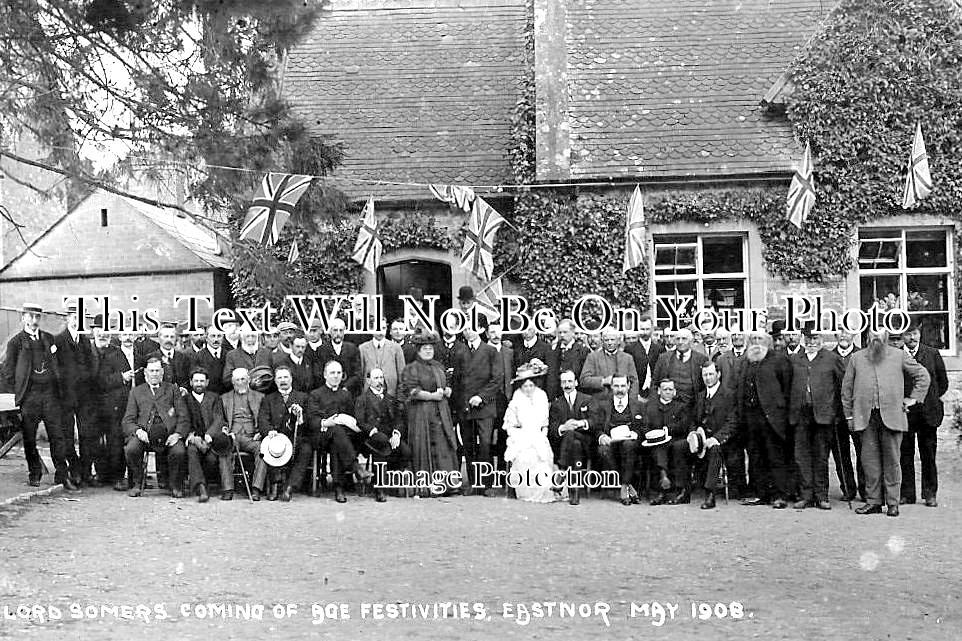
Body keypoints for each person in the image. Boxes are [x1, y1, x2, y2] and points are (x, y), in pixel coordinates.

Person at [842, 329, 929, 517]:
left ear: (886, 338)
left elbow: (923, 375)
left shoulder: (899, 356)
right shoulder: (856, 358)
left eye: (880, 337)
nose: (876, 340)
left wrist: (913, 399)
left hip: (892, 416)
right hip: (866, 418)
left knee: (892, 462)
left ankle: (892, 503)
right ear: (866, 338)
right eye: (872, 337)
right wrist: (849, 416)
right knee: (869, 462)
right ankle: (873, 501)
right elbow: (846, 390)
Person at [1, 303, 78, 491]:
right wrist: (21, 389)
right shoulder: (16, 342)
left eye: (37, 317)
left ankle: (62, 475)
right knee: (29, 437)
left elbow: (57, 364)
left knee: (57, 436)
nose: (34, 321)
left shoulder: (48, 339)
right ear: (23, 318)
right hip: (30, 397)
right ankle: (34, 473)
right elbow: (7, 370)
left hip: (50, 395)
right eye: (31, 317)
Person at [787, 328, 844, 510]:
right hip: (801, 414)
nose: (812, 342)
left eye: (815, 338)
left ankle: (821, 495)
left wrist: (837, 412)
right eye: (808, 338)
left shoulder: (832, 359)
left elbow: (841, 387)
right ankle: (806, 495)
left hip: (824, 415)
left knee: (821, 456)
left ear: (821, 338)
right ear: (803, 338)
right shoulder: (795, 359)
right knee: (801, 456)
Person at [736, 331, 793, 509]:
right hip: (750, 418)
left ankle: (779, 495)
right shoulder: (746, 361)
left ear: (767, 342)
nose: (756, 343)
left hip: (772, 418)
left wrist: (781, 413)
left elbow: (787, 389)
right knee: (755, 456)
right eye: (753, 339)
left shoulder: (779, 360)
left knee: (775, 457)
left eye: (760, 339)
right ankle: (761, 493)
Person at [400, 333, 460, 496]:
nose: (428, 351)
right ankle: (427, 485)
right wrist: (432, 395)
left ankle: (447, 484)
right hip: (422, 413)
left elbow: (447, 384)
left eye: (430, 348)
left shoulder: (438, 366)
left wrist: (448, 390)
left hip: (440, 412)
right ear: (418, 351)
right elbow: (412, 391)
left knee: (443, 444)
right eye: (425, 349)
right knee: (424, 446)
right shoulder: (411, 368)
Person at [122, 356, 189, 497]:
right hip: (144, 434)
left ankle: (175, 485)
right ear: (145, 372)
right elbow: (128, 420)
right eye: (151, 371)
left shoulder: (172, 390)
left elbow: (183, 417)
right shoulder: (136, 392)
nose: (154, 374)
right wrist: (138, 431)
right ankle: (137, 483)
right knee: (131, 449)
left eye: (157, 371)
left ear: (162, 372)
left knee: (179, 451)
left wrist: (177, 434)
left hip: (169, 434)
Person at [900, 323, 948, 507]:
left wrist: (929, 399)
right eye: (908, 334)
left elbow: (942, 383)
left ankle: (930, 493)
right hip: (906, 412)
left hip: (928, 413)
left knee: (928, 454)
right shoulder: (898, 355)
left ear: (919, 333)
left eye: (915, 333)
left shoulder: (932, 353)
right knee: (905, 454)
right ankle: (907, 494)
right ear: (902, 336)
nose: (912, 338)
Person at [501, 362, 556, 504]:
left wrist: (541, 435)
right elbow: (509, 423)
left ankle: (543, 490)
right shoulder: (517, 398)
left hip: (537, 435)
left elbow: (545, 422)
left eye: (531, 385)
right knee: (524, 456)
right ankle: (526, 491)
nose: (528, 389)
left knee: (541, 456)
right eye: (525, 386)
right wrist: (518, 433)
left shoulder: (541, 396)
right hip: (521, 436)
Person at [458, 327, 503, 495]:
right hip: (466, 407)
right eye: (465, 329)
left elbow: (497, 378)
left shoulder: (490, 351)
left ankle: (486, 484)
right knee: (468, 445)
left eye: (472, 328)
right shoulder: (461, 351)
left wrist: (481, 397)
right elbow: (457, 379)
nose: (469, 332)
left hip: (485, 406)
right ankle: (472, 482)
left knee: (485, 444)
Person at [91, 322, 136, 490]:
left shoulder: (117, 353)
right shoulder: (88, 351)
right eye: (99, 331)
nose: (102, 335)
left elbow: (127, 380)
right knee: (94, 441)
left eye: (106, 332)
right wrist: (119, 378)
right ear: (93, 331)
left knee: (115, 440)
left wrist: (119, 380)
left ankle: (117, 476)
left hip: (113, 406)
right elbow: (90, 380)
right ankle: (101, 474)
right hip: (91, 405)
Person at [356, 368, 412, 502]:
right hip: (370, 437)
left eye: (381, 378)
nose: (379, 381)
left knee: (406, 451)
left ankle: (392, 482)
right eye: (376, 378)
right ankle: (379, 488)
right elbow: (359, 420)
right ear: (368, 381)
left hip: (389, 436)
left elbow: (398, 420)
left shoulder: (390, 399)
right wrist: (371, 430)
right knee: (381, 447)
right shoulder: (362, 399)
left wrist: (397, 434)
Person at [55, 303, 95, 485]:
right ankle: (74, 468)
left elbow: (92, 365)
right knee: (67, 435)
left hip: (85, 396)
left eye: (79, 317)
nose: (76, 320)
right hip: (66, 396)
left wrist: (87, 378)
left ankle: (85, 472)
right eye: (73, 316)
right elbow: (55, 369)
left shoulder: (85, 340)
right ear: (66, 319)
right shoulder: (58, 340)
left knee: (86, 434)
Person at [591, 374, 645, 505]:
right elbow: (596, 427)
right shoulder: (603, 405)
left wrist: (636, 434)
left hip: (631, 442)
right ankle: (628, 486)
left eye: (622, 386)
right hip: (611, 442)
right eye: (616, 386)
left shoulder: (638, 405)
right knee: (603, 450)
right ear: (611, 387)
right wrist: (601, 436)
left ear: (628, 386)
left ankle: (623, 485)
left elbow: (644, 427)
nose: (620, 389)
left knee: (628, 445)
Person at [257, 365, 307, 501]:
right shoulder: (268, 399)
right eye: (280, 377)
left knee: (306, 449)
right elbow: (263, 419)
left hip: (296, 437)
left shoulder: (303, 397)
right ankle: (275, 484)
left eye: (286, 377)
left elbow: (309, 422)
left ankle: (289, 487)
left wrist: (300, 418)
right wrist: (269, 431)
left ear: (291, 379)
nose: (283, 380)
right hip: (276, 436)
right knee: (270, 447)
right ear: (275, 381)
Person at [693, 361, 738, 509]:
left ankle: (710, 494)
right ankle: (682, 491)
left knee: (714, 450)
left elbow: (732, 422)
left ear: (718, 375)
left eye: (711, 374)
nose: (708, 378)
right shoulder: (700, 396)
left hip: (724, 442)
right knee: (680, 447)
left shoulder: (729, 394)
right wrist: (695, 434)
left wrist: (716, 438)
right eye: (705, 375)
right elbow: (694, 421)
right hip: (702, 441)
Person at [547, 369, 593, 505]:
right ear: (560, 385)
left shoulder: (587, 399)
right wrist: (563, 427)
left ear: (576, 383)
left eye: (570, 381)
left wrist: (581, 423)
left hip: (586, 441)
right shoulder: (556, 404)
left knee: (574, 438)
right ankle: (575, 492)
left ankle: (561, 470)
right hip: (567, 445)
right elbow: (553, 427)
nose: (567, 385)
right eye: (564, 382)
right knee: (574, 444)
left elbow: (595, 421)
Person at [645, 379, 692, 505]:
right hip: (657, 443)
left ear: (675, 391)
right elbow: (646, 426)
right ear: (659, 391)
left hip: (676, 440)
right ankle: (661, 488)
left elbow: (684, 425)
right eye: (665, 389)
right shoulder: (651, 407)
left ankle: (677, 490)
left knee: (678, 447)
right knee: (658, 447)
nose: (668, 392)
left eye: (670, 389)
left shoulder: (681, 407)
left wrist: (668, 430)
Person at [182, 367, 224, 503]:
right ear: (190, 382)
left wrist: (209, 435)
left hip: (210, 437)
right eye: (196, 381)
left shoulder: (214, 398)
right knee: (192, 452)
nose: (199, 384)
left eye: (202, 381)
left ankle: (206, 483)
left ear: (207, 382)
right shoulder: (185, 399)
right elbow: (182, 419)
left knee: (211, 459)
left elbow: (219, 418)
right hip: (193, 437)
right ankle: (200, 488)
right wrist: (190, 436)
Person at [831, 330, 862, 502]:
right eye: (840, 333)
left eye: (847, 333)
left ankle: (865, 489)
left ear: (854, 335)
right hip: (837, 413)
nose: (843, 336)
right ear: (835, 336)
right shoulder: (828, 357)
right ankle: (848, 489)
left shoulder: (861, 355)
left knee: (862, 451)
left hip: (857, 412)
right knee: (841, 454)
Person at [650, 328, 707, 410]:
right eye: (678, 339)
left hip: (692, 406)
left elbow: (704, 388)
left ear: (691, 341)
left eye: (684, 339)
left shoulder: (701, 359)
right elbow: (654, 384)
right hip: (668, 407)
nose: (680, 342)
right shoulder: (664, 358)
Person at [580, 328, 639, 399]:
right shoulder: (593, 357)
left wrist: (631, 399)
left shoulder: (627, 358)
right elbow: (584, 380)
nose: (610, 343)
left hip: (623, 399)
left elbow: (634, 382)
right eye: (606, 340)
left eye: (612, 340)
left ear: (618, 341)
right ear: (602, 342)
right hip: (601, 401)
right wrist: (603, 381)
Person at [359, 318, 407, 397]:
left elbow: (402, 374)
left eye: (383, 328)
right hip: (369, 395)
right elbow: (360, 374)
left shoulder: (396, 348)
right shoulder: (363, 348)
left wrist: (400, 397)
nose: (380, 332)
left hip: (391, 394)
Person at [316, 318, 362, 395]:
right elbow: (319, 373)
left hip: (348, 392)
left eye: (341, 330)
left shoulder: (352, 349)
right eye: (335, 330)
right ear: (330, 332)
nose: (338, 334)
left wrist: (346, 387)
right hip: (327, 393)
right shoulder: (321, 350)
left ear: (344, 332)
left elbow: (357, 373)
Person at [546, 319, 590, 400]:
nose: (562, 335)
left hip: (577, 394)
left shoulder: (582, 351)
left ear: (573, 333)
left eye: (565, 332)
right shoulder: (553, 350)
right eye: (560, 332)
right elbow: (551, 375)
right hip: (557, 395)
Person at [622, 315, 664, 399]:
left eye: (647, 329)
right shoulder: (630, 349)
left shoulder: (659, 348)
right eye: (642, 329)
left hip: (654, 392)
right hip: (637, 392)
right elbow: (626, 372)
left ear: (652, 329)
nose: (645, 332)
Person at [190, 325, 228, 395]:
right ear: (206, 338)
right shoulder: (197, 357)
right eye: (213, 336)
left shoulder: (228, 355)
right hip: (207, 397)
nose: (216, 340)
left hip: (225, 397)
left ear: (223, 338)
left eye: (219, 336)